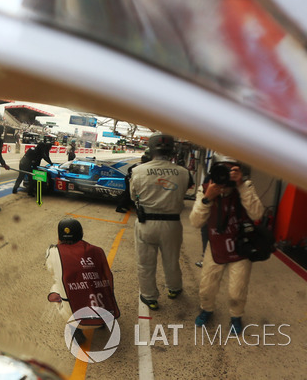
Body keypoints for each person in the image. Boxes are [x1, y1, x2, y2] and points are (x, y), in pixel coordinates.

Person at [189, 157, 264, 334]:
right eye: (222, 170)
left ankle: (236, 316)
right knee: (207, 287)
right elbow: (195, 222)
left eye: (231, 171)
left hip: (241, 248)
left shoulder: (244, 186)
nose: (225, 176)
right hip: (215, 247)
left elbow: (257, 214)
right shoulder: (207, 188)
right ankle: (206, 309)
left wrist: (241, 186)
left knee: (237, 291)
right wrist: (207, 199)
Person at [130, 133, 193, 310]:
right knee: (172, 260)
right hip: (172, 224)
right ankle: (174, 289)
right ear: (172, 151)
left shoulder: (138, 171)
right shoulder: (183, 172)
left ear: (150, 150)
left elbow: (133, 196)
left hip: (146, 223)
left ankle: (150, 297)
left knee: (145, 263)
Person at [45, 218, 120, 341]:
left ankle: (74, 328)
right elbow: (107, 276)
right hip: (106, 313)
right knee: (98, 281)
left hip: (77, 319)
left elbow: (52, 272)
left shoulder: (53, 252)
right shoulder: (97, 251)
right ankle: (100, 317)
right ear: (81, 234)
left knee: (56, 287)